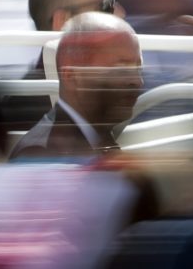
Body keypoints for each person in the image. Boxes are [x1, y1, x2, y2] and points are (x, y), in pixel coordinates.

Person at [0, 0, 123, 141]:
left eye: (115, 1)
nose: (120, 14)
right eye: (106, 6)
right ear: (63, 22)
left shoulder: (118, 82)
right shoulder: (24, 109)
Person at [9, 12, 143, 159]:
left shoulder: (96, 135)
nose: (137, 81)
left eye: (138, 69)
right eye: (120, 69)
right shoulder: (42, 154)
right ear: (71, 76)